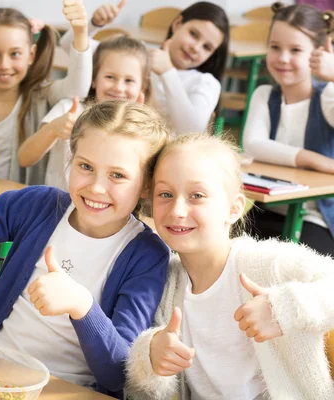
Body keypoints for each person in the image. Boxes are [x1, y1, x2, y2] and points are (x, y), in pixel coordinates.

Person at [0, 101, 170, 398]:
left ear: (146, 185)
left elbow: (117, 373)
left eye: (118, 175)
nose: (97, 187)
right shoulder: (37, 206)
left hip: (68, 392)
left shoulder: (147, 255)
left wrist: (81, 306)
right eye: (85, 166)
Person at [126, 133, 334, 399]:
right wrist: (151, 356)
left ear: (234, 209)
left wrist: (283, 308)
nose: (177, 210)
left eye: (197, 195)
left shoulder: (266, 264)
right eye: (165, 194)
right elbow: (142, 389)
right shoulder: (164, 282)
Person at [0, 1, 92, 184]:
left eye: (15, 54)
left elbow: (78, 88)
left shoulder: (41, 96)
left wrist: (81, 32)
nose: (4, 65)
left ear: (31, 55)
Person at [243, 2, 334, 257]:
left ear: (318, 53)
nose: (283, 58)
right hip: (268, 210)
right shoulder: (264, 94)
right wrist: (311, 159)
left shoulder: (327, 97)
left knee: (296, 269)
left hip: (317, 219)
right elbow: (253, 144)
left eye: (295, 50)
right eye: (275, 47)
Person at [59, 1, 229, 135]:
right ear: (177, 24)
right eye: (193, 34)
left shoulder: (205, 83)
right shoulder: (138, 56)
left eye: (207, 47)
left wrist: (168, 73)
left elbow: (192, 132)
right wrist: (93, 24)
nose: (196, 48)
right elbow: (68, 46)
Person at [18, 35, 149, 190]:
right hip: (60, 208)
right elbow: (24, 158)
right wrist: (53, 128)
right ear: (93, 79)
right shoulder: (69, 109)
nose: (118, 88)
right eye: (110, 77)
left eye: (129, 81)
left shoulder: (143, 125)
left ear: (142, 87)